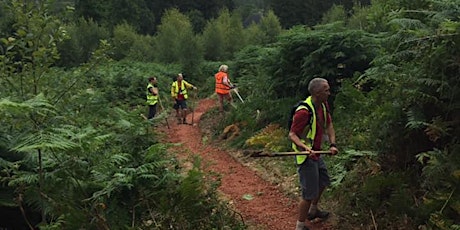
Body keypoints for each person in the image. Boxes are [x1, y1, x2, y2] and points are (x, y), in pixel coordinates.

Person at [288, 78, 339, 230]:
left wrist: (332, 144)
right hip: (306, 156)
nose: (329, 93)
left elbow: (329, 124)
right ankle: (300, 226)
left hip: (317, 152)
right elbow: (292, 135)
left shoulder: (323, 105)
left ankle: (313, 210)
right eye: (326, 90)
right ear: (317, 93)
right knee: (308, 193)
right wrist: (305, 148)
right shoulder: (304, 111)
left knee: (323, 181)